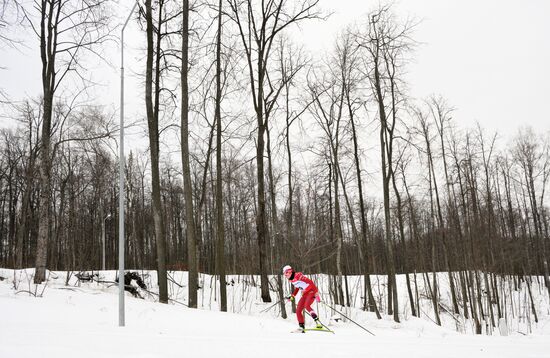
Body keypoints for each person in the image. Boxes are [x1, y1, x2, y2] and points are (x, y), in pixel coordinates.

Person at [283, 265, 323, 332]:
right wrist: (293, 296)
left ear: (290, 272)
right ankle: (301, 327)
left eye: (286, 273)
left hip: (312, 291)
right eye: (284, 273)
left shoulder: (298, 276)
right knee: (298, 310)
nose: (285, 275)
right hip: (305, 294)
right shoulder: (292, 280)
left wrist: (316, 292)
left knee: (307, 306)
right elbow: (298, 287)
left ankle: (318, 323)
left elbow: (310, 282)